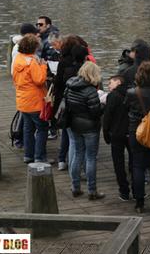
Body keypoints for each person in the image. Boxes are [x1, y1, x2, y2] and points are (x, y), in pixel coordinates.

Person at [125, 61, 150, 213]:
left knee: (138, 166)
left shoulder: (132, 92)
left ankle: (139, 203)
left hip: (136, 130)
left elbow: (126, 106)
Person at [65, 61, 105, 200]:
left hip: (74, 125)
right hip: (89, 128)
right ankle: (92, 191)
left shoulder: (70, 86)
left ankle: (75, 187)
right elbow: (95, 112)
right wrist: (103, 105)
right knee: (90, 158)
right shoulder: (91, 91)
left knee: (77, 154)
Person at [12, 34, 49, 164]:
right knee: (42, 128)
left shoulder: (17, 59)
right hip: (35, 101)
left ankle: (28, 155)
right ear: (34, 48)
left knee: (28, 129)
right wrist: (43, 66)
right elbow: (39, 80)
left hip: (22, 100)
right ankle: (39, 157)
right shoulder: (32, 62)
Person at [53, 43, 88, 171]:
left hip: (66, 103)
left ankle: (63, 160)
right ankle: (80, 169)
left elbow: (58, 83)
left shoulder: (65, 67)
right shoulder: (86, 70)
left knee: (68, 136)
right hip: (81, 108)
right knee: (78, 141)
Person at [102, 75, 133, 201]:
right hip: (130, 132)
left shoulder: (113, 96)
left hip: (116, 133)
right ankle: (138, 190)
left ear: (118, 82)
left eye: (111, 82)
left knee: (118, 163)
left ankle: (124, 191)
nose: (108, 85)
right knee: (134, 162)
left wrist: (106, 134)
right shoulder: (132, 94)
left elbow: (107, 117)